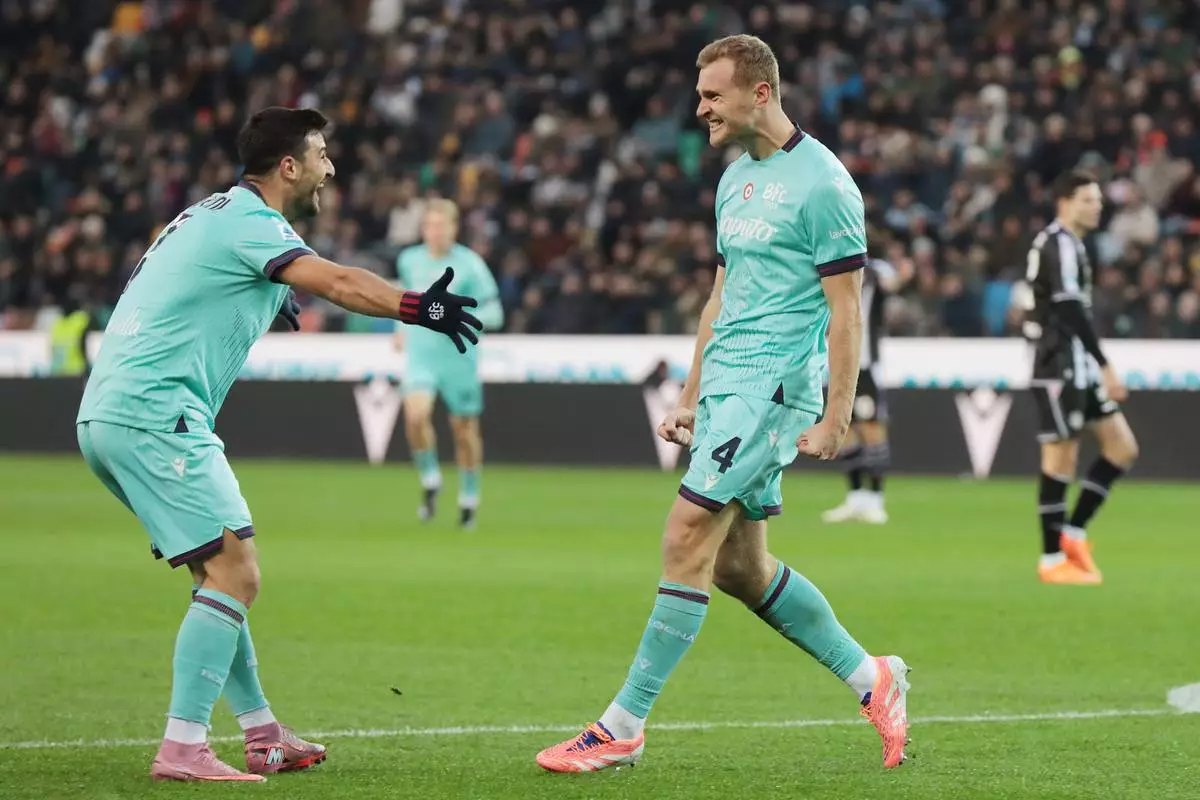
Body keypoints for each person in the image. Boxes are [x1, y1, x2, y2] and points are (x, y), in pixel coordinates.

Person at [535, 35, 911, 774]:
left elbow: (847, 310)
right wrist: (690, 393)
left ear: (760, 93)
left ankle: (622, 726)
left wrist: (837, 413)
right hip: (729, 385)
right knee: (740, 568)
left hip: (775, 388)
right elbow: (721, 294)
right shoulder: (733, 178)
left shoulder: (826, 185)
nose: (699, 107)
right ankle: (875, 678)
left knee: (685, 533)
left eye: (712, 94)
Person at [74, 107, 481, 783]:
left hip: (111, 413)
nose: (331, 167)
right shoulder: (254, 225)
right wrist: (419, 307)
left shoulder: (208, 214)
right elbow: (343, 282)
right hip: (157, 413)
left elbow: (180, 283)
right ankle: (183, 748)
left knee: (217, 573)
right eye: (322, 154)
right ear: (288, 166)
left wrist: (264, 297)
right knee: (239, 572)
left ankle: (262, 733)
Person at [1024, 170, 1139, 585]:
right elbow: (1069, 309)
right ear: (1065, 202)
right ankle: (1052, 559)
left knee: (1121, 447)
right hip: (1058, 365)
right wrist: (1105, 364)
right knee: (1060, 460)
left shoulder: (1070, 244)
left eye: (1098, 200)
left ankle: (1072, 533)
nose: (1097, 206)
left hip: (1079, 368)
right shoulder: (1057, 243)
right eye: (1089, 199)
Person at [394, 200, 504, 528]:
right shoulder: (409, 260)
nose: (435, 232)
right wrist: (400, 328)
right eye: (430, 225)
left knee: (464, 430)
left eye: (441, 225)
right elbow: (403, 299)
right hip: (421, 355)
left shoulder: (470, 265)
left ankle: (469, 497)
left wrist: (460, 317)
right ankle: (430, 478)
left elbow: (496, 313)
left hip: (459, 358)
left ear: (454, 228)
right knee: (415, 416)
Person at [822, 253, 900, 524]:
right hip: (837, 365)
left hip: (866, 367)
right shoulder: (831, 272)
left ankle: (876, 500)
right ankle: (855, 499)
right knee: (846, 432)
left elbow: (893, 282)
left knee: (872, 430)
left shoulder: (875, 271)